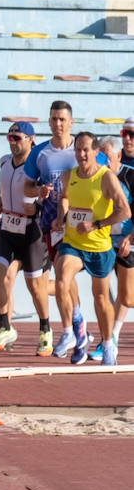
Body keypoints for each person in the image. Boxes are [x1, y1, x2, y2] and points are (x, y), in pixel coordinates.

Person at [23, 100, 108, 357]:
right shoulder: (40, 153)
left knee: (85, 285)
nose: (58, 124)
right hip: (55, 225)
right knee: (63, 278)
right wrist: (40, 190)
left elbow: (107, 176)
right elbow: (26, 187)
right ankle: (76, 328)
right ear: (48, 122)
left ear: (70, 122)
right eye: (53, 119)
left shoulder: (85, 149)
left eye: (62, 119)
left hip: (87, 227)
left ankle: (91, 333)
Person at [54, 132, 130, 365]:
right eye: (77, 149)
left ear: (96, 152)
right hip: (73, 243)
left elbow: (124, 211)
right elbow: (64, 198)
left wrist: (97, 224)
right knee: (62, 277)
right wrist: (61, 217)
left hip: (99, 246)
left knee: (100, 299)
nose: (81, 154)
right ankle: (70, 330)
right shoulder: (68, 176)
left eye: (86, 149)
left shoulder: (106, 178)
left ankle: (108, 344)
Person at [0, 122, 50, 352]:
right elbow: (2, 190)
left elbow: (47, 197)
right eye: (10, 138)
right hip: (8, 228)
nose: (13, 142)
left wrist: (39, 209)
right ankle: (5, 326)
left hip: (32, 230)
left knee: (35, 285)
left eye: (18, 138)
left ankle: (45, 328)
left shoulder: (39, 167)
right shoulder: (4, 161)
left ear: (31, 140)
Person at [111, 122, 134, 351]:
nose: (128, 139)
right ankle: (112, 338)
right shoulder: (117, 163)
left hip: (130, 237)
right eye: (124, 134)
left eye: (132, 135)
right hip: (115, 238)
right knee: (125, 295)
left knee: (129, 297)